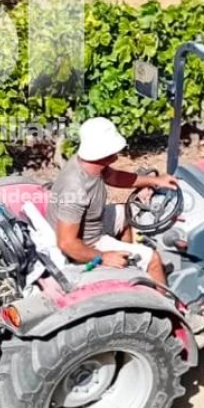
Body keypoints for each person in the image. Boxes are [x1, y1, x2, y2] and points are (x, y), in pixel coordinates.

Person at [48, 117, 177, 287]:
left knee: (126, 213)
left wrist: (154, 181)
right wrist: (103, 256)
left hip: (90, 224)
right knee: (152, 258)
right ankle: (165, 306)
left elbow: (114, 177)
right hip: (87, 243)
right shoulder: (75, 189)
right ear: (103, 152)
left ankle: (129, 270)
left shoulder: (89, 165)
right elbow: (67, 243)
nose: (118, 152)